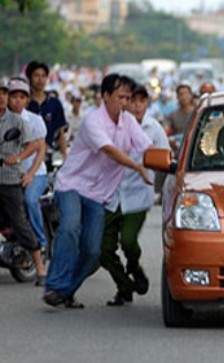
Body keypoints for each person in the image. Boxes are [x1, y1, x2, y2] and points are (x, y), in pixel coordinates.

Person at [43, 74, 154, 309]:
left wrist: (172, 166)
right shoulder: (92, 120)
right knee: (71, 227)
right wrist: (136, 166)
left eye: (128, 97)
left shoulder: (129, 122)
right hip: (72, 185)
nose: (125, 103)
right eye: (120, 97)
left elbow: (147, 147)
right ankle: (54, 285)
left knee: (93, 252)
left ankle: (65, 291)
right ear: (105, 96)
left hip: (98, 194)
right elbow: (110, 150)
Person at [101, 84, 170, 306]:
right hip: (110, 194)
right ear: (125, 102)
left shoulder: (154, 128)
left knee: (128, 240)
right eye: (133, 101)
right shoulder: (111, 125)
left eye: (142, 101)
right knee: (101, 248)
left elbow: (165, 159)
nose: (138, 106)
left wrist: (166, 191)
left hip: (138, 194)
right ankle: (125, 285)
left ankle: (133, 267)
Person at [0, 81, 47, 285]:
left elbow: (33, 146)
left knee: (19, 221)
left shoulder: (18, 121)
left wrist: (17, 157)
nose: (2, 97)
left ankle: (40, 267)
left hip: (11, 178)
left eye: (3, 93)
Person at [7, 78, 49, 255]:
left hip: (35, 173)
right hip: (9, 175)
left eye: (21, 97)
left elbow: (40, 150)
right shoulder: (4, 121)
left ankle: (40, 241)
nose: (17, 100)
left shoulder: (35, 120)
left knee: (30, 201)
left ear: (27, 100)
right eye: (13, 96)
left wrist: (30, 174)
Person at [25, 61, 68, 162]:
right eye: (36, 76)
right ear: (29, 78)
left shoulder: (54, 103)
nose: (40, 80)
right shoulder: (24, 103)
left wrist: (65, 156)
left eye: (43, 76)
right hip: (27, 156)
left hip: (49, 156)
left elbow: (60, 133)